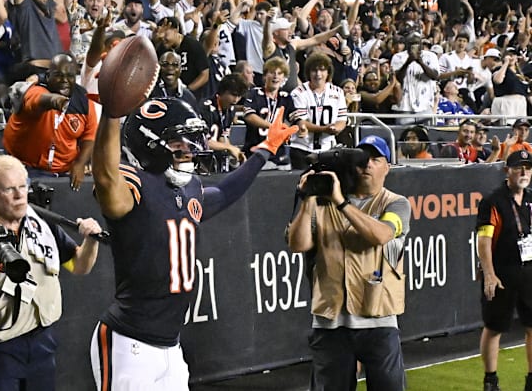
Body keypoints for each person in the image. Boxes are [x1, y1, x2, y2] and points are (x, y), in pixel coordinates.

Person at [89, 97, 297, 390]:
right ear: (150, 144)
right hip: (130, 342)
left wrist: (264, 151)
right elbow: (106, 176)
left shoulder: (188, 189)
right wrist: (110, 115)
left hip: (171, 347)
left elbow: (226, 192)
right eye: (178, 142)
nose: (189, 149)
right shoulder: (133, 183)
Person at [0, 154, 102, 391]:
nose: (19, 196)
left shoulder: (42, 226)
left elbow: (79, 266)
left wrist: (90, 241)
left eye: (22, 187)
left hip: (42, 340)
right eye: (9, 190)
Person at [286, 135, 411, 391]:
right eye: (362, 160)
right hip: (330, 321)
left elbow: (380, 235)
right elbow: (298, 244)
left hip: (378, 318)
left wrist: (340, 202)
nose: (367, 166)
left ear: (387, 167)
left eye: (375, 160)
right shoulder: (320, 203)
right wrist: (308, 198)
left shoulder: (396, 203)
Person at [476, 150, 532, 391]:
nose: (524, 172)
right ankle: (491, 379)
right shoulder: (493, 200)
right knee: (495, 326)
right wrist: (489, 273)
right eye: (519, 167)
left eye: (528, 168)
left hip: (529, 270)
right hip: (503, 271)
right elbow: (484, 240)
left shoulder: (531, 198)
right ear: (506, 170)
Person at [3, 53, 98, 191]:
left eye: (69, 76)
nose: (64, 80)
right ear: (48, 76)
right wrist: (57, 101)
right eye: (58, 75)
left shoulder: (83, 99)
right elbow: (38, 100)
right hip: (25, 167)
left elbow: (90, 136)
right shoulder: (35, 90)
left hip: (64, 171)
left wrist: (80, 163)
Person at [288, 52, 348, 170]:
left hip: (327, 149)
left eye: (322, 70)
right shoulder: (298, 92)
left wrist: (337, 128)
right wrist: (325, 129)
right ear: (308, 72)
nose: (318, 74)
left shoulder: (337, 92)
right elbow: (301, 121)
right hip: (302, 148)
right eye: (314, 70)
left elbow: (342, 119)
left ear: (328, 72)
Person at [198, 72, 248, 171]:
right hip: (201, 162)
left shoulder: (230, 110)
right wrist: (229, 148)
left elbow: (223, 136)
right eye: (233, 95)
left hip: (217, 163)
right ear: (223, 91)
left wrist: (235, 153)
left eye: (239, 96)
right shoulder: (205, 108)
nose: (236, 100)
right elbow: (202, 141)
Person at [390, 32, 439, 124]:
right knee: (404, 136)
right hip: (404, 107)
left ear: (421, 44)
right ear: (407, 44)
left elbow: (435, 76)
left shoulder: (431, 56)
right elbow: (397, 79)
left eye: (417, 43)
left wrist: (421, 62)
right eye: (412, 43)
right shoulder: (398, 57)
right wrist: (408, 62)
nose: (414, 46)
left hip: (425, 105)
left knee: (426, 136)